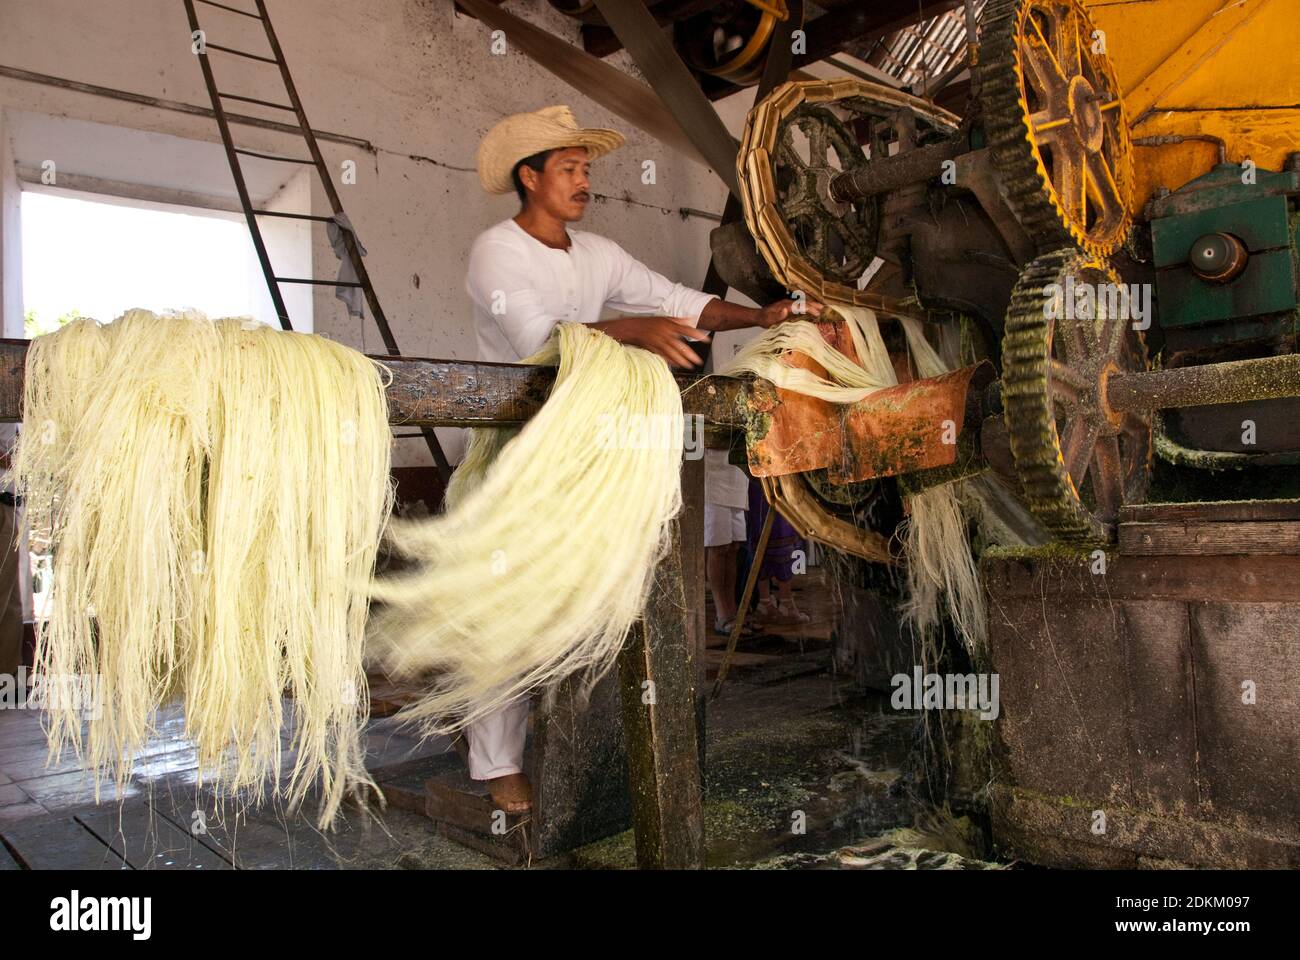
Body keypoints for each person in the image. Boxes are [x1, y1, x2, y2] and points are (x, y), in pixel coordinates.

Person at [462, 104, 820, 815]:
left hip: (589, 446)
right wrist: (636, 330)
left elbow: (681, 301)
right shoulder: (496, 252)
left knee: (594, 602)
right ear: (528, 178)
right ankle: (496, 763)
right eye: (568, 169)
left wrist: (761, 316)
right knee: (504, 608)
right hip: (515, 447)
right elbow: (542, 341)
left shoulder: (597, 255)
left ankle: (591, 748)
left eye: (585, 169)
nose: (582, 180)